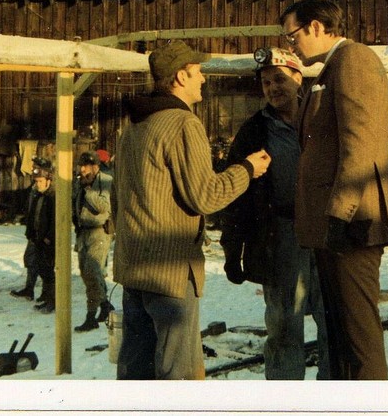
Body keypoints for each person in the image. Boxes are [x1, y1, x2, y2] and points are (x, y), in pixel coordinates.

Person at [112, 41, 271, 380]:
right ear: (181, 76)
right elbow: (206, 196)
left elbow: (118, 199)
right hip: (170, 274)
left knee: (135, 376)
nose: (203, 80)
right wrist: (247, 169)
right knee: (179, 376)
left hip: (133, 270)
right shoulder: (183, 124)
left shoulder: (134, 128)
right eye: (198, 73)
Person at [282, 0, 388, 380]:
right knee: (342, 340)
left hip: (352, 224)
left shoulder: (353, 60)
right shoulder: (330, 68)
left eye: (293, 35)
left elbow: (361, 144)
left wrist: (339, 214)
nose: (291, 45)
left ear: (317, 26)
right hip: (336, 226)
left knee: (358, 338)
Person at [220, 47, 330, 380]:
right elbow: (236, 194)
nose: (272, 88)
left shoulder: (324, 119)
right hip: (281, 237)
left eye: (279, 79)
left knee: (335, 325)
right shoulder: (254, 131)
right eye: (266, 82)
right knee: (284, 327)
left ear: (299, 79)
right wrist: (232, 248)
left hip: (327, 237)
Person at [72, 150, 115, 331]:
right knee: (86, 273)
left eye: (86, 166)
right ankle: (105, 305)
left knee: (93, 270)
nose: (82, 170)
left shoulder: (105, 180)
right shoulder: (79, 182)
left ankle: (91, 315)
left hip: (99, 231)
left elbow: (103, 206)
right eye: (81, 166)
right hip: (83, 232)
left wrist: (89, 190)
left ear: (95, 167)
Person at [10, 156, 50, 301]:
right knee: (30, 259)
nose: (34, 169)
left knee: (45, 264)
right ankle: (29, 288)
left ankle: (47, 293)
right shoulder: (33, 188)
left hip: (44, 232)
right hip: (34, 230)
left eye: (36, 167)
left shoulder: (49, 189)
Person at [25, 159, 57, 313]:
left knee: (49, 272)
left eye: (41, 181)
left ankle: (52, 301)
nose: (38, 184)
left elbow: (55, 222)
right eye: (36, 181)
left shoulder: (53, 197)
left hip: (48, 241)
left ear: (48, 180)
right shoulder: (38, 195)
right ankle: (46, 297)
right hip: (37, 238)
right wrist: (30, 233)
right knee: (43, 270)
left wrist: (48, 238)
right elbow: (33, 216)